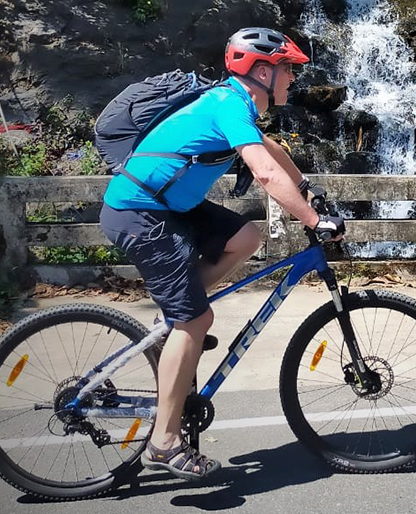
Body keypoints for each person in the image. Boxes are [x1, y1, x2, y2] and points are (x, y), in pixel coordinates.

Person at [99, 27, 345, 480]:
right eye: (289, 69)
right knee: (197, 320)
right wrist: (313, 222)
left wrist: (309, 191)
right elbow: (266, 173)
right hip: (139, 212)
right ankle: (163, 442)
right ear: (263, 70)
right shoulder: (227, 104)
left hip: (169, 207)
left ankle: (175, 318)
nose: (293, 79)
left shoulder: (236, 105)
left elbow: (272, 150)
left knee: (246, 237)